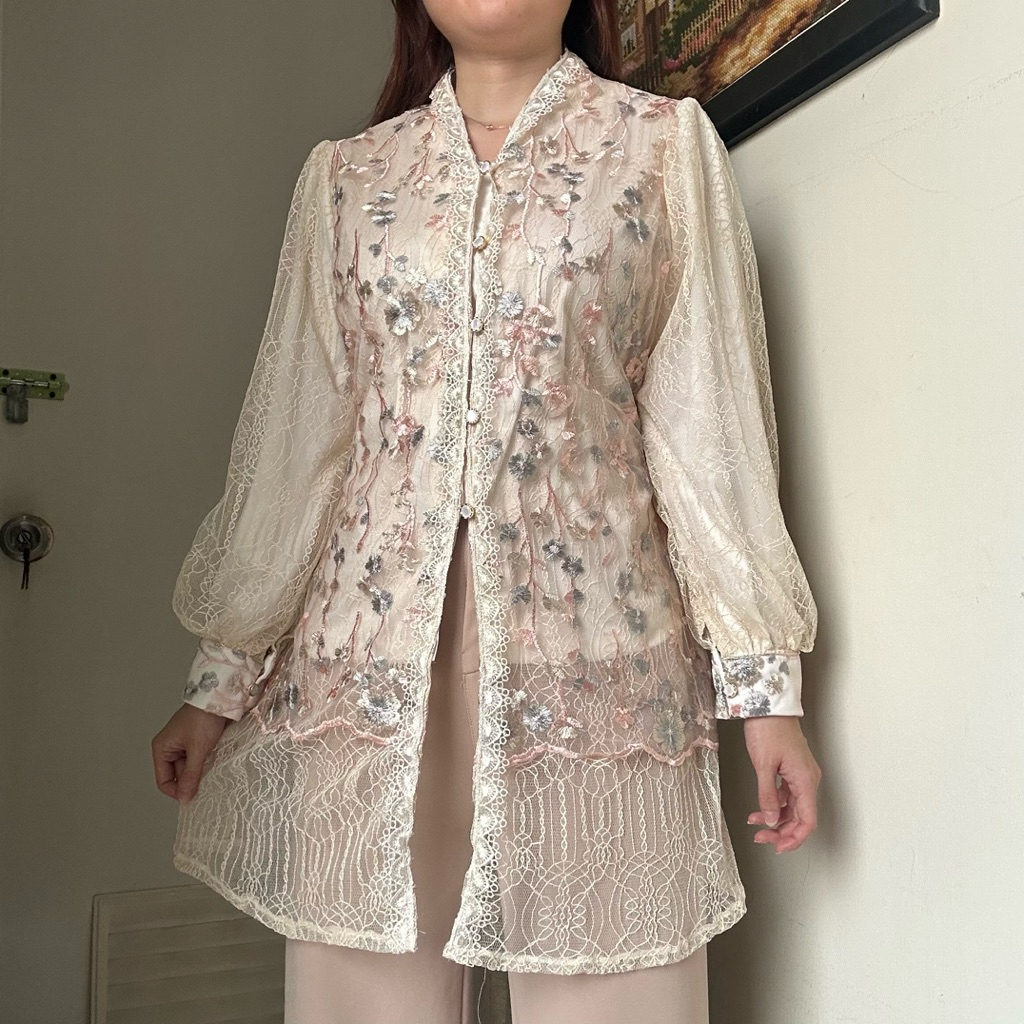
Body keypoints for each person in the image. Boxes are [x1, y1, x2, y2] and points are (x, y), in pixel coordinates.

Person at [151, 1, 823, 1020]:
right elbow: (298, 448)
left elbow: (707, 431)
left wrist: (766, 695)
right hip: (369, 663)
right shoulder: (348, 178)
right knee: (362, 993)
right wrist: (218, 683)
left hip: (597, 661)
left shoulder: (659, 148)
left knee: (616, 991)